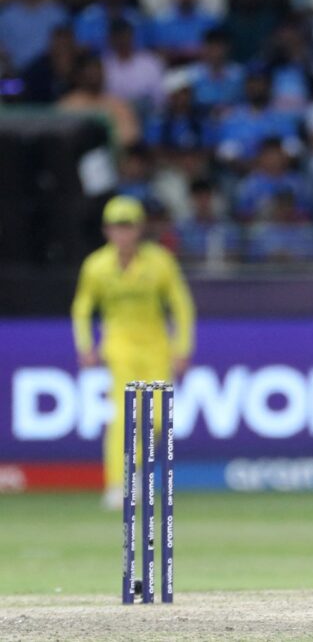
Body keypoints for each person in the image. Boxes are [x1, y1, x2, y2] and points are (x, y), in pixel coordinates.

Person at [71, 196, 195, 509]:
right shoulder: (96, 265)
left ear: (139, 229)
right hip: (120, 346)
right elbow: (83, 308)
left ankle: (136, 474)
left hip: (156, 346)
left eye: (128, 227)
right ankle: (118, 483)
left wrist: (183, 348)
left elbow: (181, 305)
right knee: (125, 416)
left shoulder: (160, 261)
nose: (123, 234)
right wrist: (85, 346)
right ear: (106, 230)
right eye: (117, 227)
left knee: (154, 419)